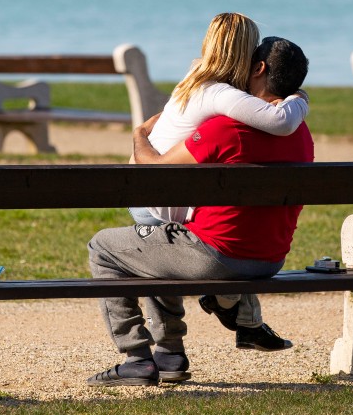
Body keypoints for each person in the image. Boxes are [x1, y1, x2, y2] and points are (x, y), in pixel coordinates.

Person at [87, 37, 314, 388]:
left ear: (259, 69)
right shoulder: (301, 132)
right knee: (155, 244)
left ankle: (136, 357)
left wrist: (140, 134)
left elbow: (156, 170)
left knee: (104, 247)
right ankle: (170, 355)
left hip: (216, 254)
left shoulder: (224, 128)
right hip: (269, 259)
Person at [128, 12, 309, 227]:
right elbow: (282, 121)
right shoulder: (219, 94)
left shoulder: (196, 75)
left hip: (142, 188)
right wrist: (300, 96)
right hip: (157, 203)